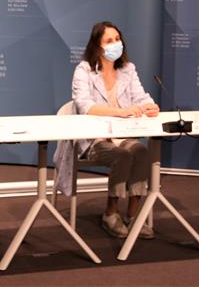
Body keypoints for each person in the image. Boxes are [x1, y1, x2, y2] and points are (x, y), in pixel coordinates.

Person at [53, 21, 158, 239]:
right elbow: (84, 105)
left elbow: (140, 96)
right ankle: (111, 214)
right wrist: (120, 111)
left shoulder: (128, 70)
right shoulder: (84, 70)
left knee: (140, 151)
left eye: (118, 39)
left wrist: (149, 105)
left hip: (122, 136)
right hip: (93, 139)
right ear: (98, 47)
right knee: (123, 156)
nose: (115, 44)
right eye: (109, 41)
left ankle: (133, 216)